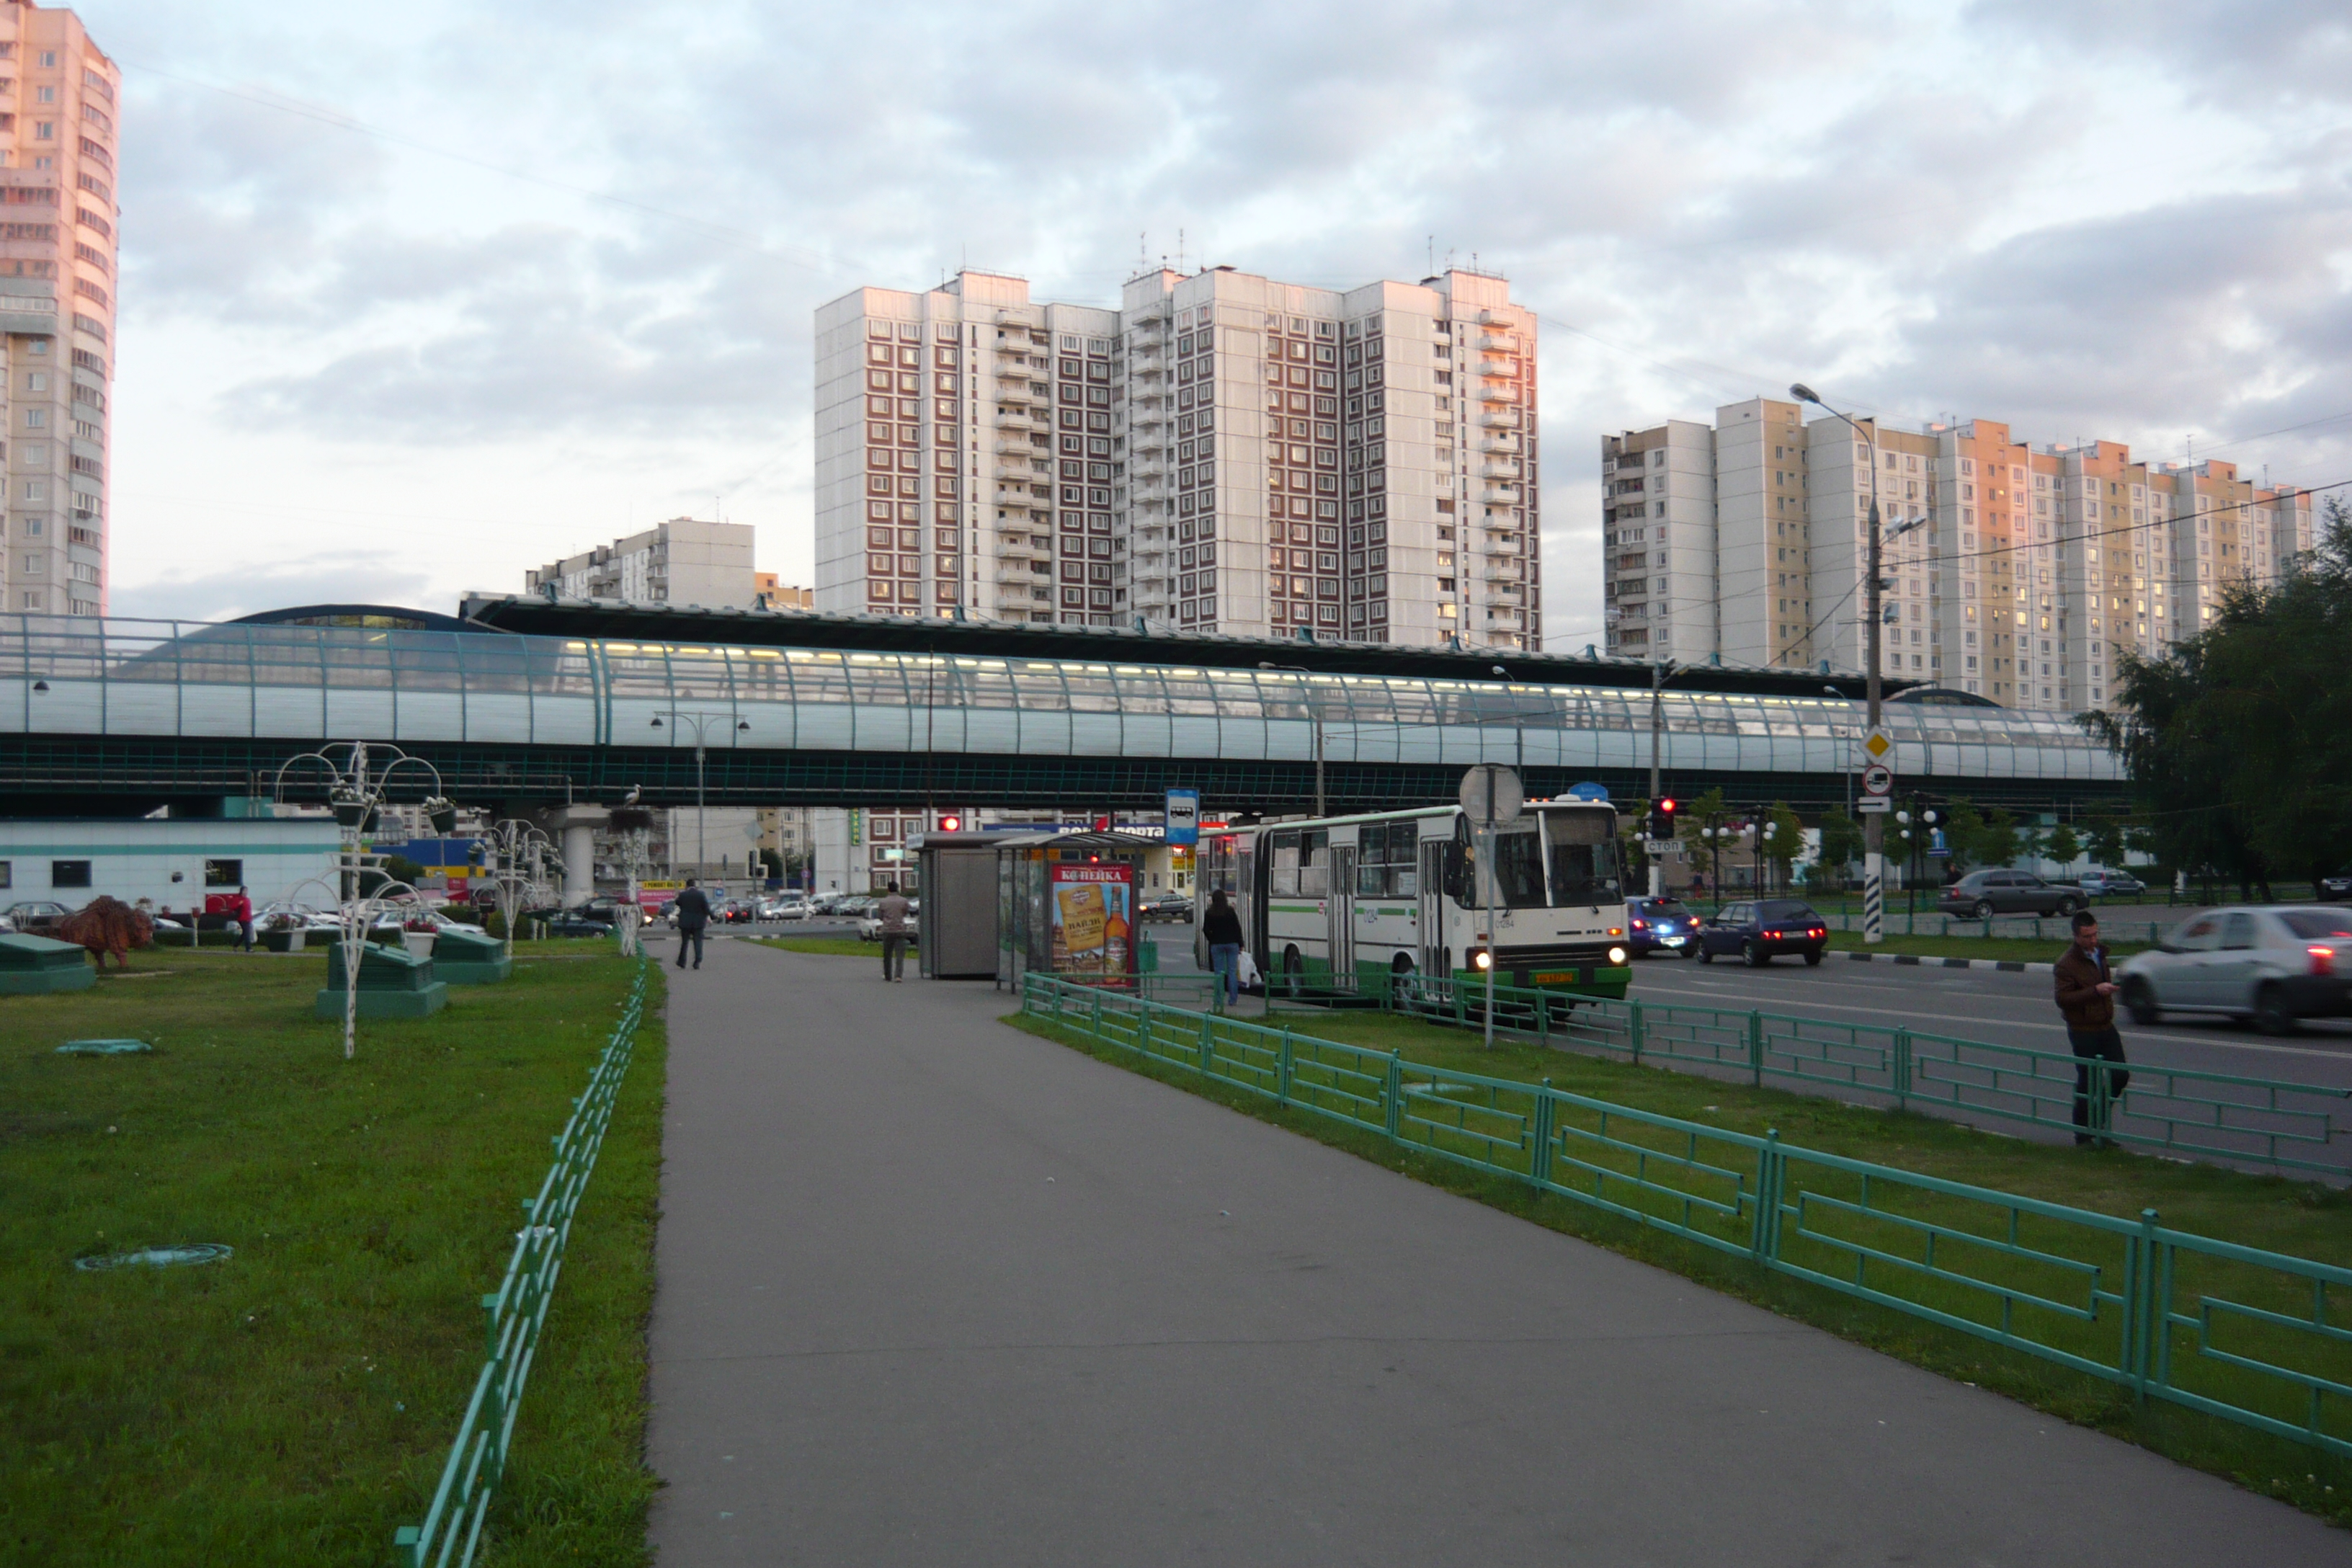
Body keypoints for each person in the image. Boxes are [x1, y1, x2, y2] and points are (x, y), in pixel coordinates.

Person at [2054, 909, 2130, 1146]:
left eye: (2095, 934)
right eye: (2087, 936)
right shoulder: (2066, 964)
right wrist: (2096, 991)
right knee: (2088, 1082)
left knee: (2120, 1075)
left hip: (2105, 1026)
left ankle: (2097, 1123)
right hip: (2082, 1030)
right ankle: (2084, 1135)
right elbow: (2063, 998)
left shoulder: (2101, 954)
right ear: (2076, 936)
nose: (2093, 940)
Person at [1201, 888, 1245, 1010]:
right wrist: (1240, 943)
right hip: (1232, 944)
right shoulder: (1230, 911)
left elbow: (1205, 929)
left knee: (1219, 973)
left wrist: (1212, 939)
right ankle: (1233, 1000)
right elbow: (1237, 928)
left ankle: (1219, 1000)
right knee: (1232, 972)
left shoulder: (1209, 913)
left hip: (1217, 944)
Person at [672, 878, 712, 971]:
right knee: (698, 942)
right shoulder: (701, 895)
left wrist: (678, 896)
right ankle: (697, 962)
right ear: (695, 885)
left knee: (684, 943)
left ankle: (682, 962)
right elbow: (706, 908)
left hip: (685, 923)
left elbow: (678, 903)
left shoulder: (683, 895)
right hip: (698, 923)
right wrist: (712, 916)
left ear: (687, 886)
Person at [876, 881, 912, 982]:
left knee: (887, 954)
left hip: (887, 930)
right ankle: (898, 976)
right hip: (900, 929)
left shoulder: (883, 902)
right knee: (900, 954)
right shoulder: (904, 901)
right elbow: (905, 912)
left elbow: (880, 916)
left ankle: (888, 975)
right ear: (898, 889)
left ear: (888, 889)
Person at [231, 885, 256, 953]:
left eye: (246, 891)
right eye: (244, 891)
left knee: (245, 934)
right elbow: (233, 907)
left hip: (248, 918)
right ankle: (248, 948)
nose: (245, 892)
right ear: (241, 891)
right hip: (242, 918)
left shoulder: (247, 900)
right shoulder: (239, 899)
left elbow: (249, 910)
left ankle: (236, 945)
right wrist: (239, 904)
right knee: (247, 933)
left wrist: (251, 917)